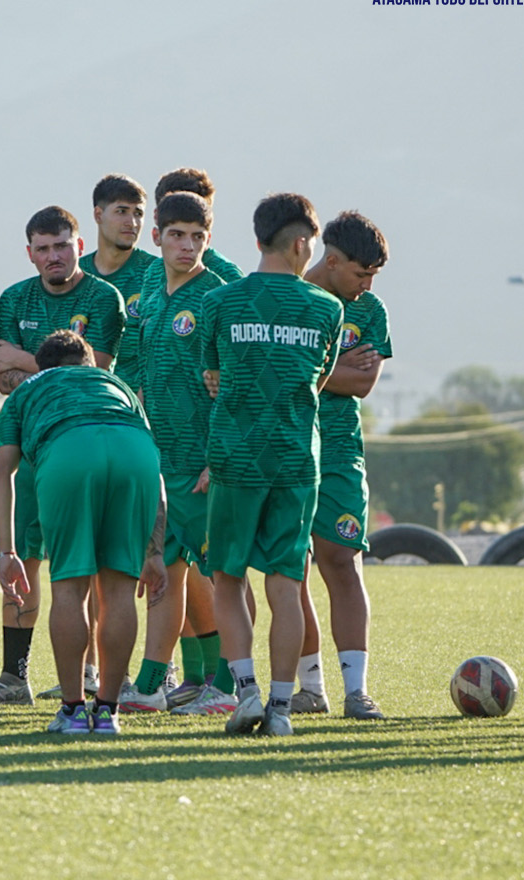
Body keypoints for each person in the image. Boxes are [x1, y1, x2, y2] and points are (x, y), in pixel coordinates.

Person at [0, 206, 124, 705]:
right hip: (30, 443)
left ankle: (92, 672)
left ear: (80, 246)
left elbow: (93, 368)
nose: (53, 256)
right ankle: (15, 677)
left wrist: (25, 362)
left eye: (62, 245)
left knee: (88, 564)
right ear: (30, 252)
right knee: (24, 557)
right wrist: (29, 366)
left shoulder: (103, 296)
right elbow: (1, 375)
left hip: (85, 439)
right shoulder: (14, 297)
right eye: (43, 248)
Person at [200, 192, 343, 737]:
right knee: (287, 583)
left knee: (227, 577)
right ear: (303, 242)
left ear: (258, 240)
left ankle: (247, 695)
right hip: (295, 460)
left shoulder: (220, 303)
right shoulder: (328, 309)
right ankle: (282, 709)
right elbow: (320, 380)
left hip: (235, 458)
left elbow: (212, 375)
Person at [0, 330, 166, 734]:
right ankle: (107, 711)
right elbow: (154, 468)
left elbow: (2, 472)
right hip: (134, 455)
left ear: (43, 365)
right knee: (119, 591)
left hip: (69, 450)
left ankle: (72, 710)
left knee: (70, 588)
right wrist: (154, 551)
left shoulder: (27, 390)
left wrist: (6, 551)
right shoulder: (115, 383)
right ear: (90, 364)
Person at [120, 191, 233, 715]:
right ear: (157, 237)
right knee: (163, 572)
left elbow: (233, 385)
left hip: (203, 465)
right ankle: (148, 687)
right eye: (177, 235)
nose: (188, 246)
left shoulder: (217, 297)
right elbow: (138, 369)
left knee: (223, 575)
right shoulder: (147, 286)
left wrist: (220, 457)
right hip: (158, 460)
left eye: (197, 237)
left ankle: (231, 685)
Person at [292, 212, 391, 720]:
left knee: (341, 561)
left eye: (373, 275)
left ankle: (357, 691)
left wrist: (302, 365)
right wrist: (333, 368)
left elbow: (362, 384)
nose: (367, 285)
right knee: (291, 568)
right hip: (284, 446)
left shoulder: (369, 309)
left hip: (339, 452)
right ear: (331, 261)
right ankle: (311, 687)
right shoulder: (286, 296)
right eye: (360, 274)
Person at [80, 173, 157, 389]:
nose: (132, 223)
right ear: (98, 214)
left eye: (138, 213)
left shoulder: (157, 274)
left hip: (140, 408)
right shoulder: (75, 274)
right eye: (122, 211)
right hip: (84, 400)